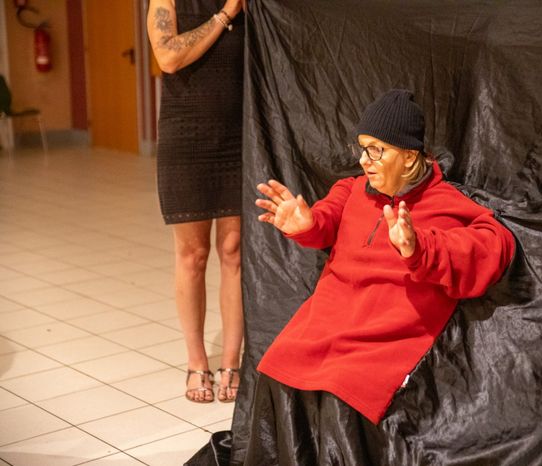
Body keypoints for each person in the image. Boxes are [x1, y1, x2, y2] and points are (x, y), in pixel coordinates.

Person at [249, 89, 516, 461]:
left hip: (388, 337)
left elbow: (496, 246)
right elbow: (324, 221)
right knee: (278, 366)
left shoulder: (447, 204)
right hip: (330, 319)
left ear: (408, 156)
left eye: (376, 150)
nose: (364, 160)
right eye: (362, 148)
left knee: (343, 392)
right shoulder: (351, 189)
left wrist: (419, 247)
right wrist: (305, 225)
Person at [147, 0, 245, 403]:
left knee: (234, 251)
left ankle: (232, 362)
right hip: (185, 135)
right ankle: (197, 362)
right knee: (193, 255)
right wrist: (225, 15)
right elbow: (168, 57)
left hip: (238, 135)